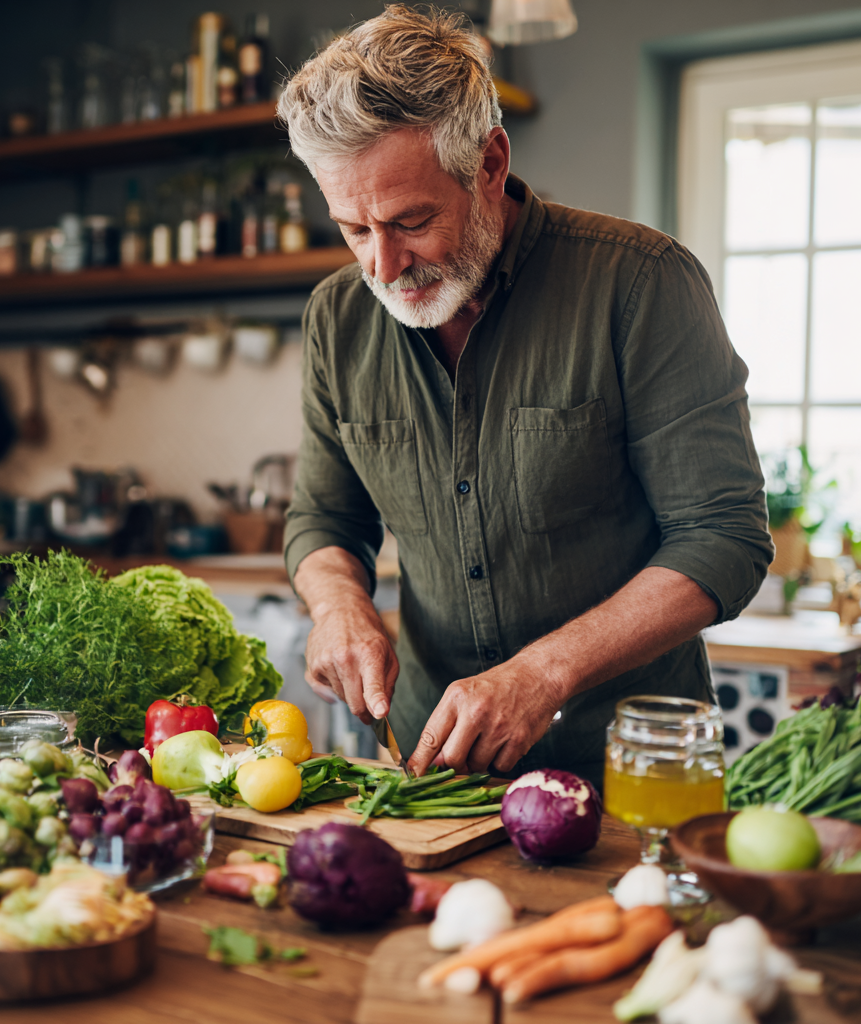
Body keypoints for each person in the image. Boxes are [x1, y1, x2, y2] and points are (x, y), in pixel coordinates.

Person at [277, 5, 772, 784]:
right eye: (352, 228)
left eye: (411, 221)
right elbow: (324, 518)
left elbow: (725, 537)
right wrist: (338, 604)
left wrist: (543, 674)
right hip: (435, 770)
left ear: (490, 162)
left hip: (626, 767)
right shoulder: (337, 318)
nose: (383, 265)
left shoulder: (639, 283)